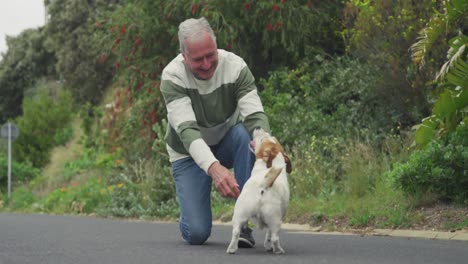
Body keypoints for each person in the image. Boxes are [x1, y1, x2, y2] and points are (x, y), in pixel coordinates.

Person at [160, 17, 271, 246]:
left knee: (245, 135)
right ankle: (190, 212)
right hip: (188, 153)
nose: (207, 64)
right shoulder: (172, 76)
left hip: (225, 141)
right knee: (197, 233)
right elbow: (188, 132)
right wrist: (214, 169)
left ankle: (242, 226)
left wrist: (265, 144)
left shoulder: (236, 66)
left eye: (211, 55)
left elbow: (254, 116)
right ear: (183, 55)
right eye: (198, 59)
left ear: (216, 45)